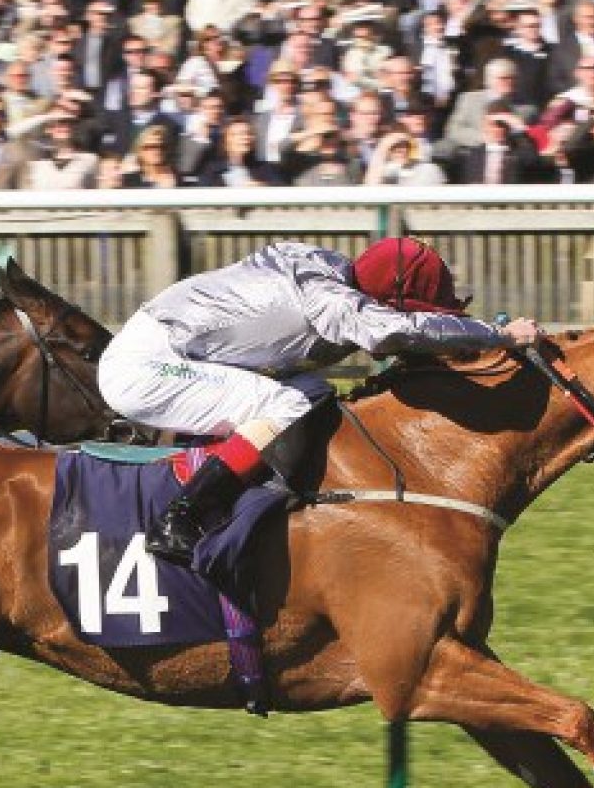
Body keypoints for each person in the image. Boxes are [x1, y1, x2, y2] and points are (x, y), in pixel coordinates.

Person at [97, 237, 541, 565]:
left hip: (169, 347)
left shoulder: (329, 272)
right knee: (284, 406)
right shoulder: (332, 300)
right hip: (145, 367)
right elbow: (390, 331)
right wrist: (498, 335)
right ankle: (182, 517)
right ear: (386, 299)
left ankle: (261, 501)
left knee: (312, 393)